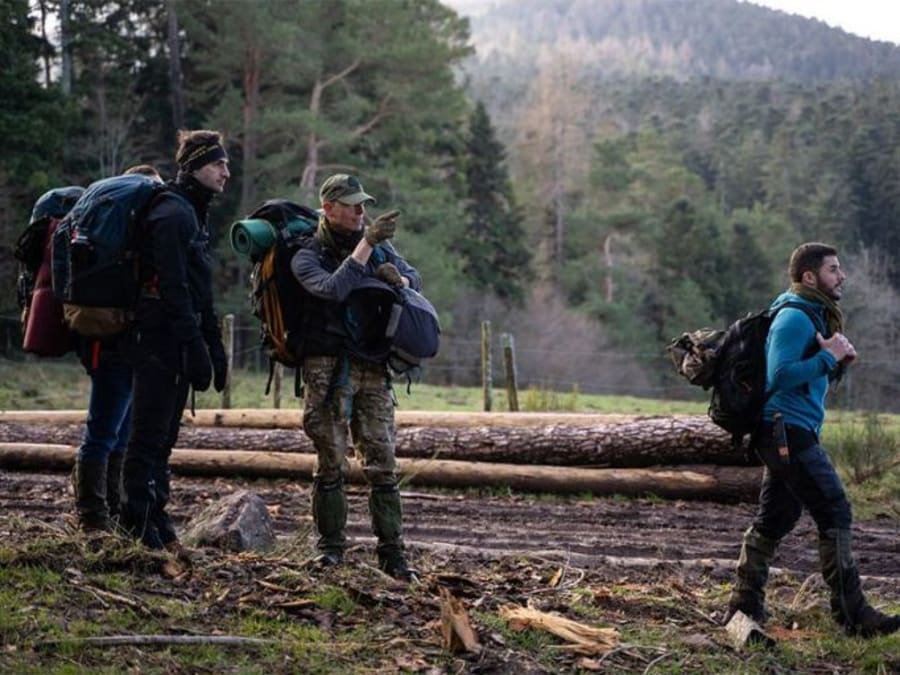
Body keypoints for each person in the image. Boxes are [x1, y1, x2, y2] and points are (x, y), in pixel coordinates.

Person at [727, 242, 899, 638]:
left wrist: (836, 362)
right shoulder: (794, 318)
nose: (842, 276)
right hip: (786, 430)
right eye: (834, 270)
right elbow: (781, 375)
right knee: (835, 509)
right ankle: (853, 616)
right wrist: (827, 357)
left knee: (776, 518)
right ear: (810, 277)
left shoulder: (813, 315)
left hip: (789, 428)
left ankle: (743, 603)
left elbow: (808, 379)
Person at [290, 173, 420, 580]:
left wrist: (400, 279)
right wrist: (367, 247)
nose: (361, 212)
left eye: (363, 205)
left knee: (383, 460)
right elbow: (332, 289)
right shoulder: (305, 253)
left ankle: (393, 556)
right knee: (331, 460)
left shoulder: (381, 249)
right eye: (352, 205)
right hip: (327, 368)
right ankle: (329, 552)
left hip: (373, 366)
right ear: (328, 208)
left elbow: (415, 278)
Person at [120, 131, 230, 551]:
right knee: (148, 431)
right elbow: (173, 285)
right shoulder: (171, 214)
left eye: (226, 164)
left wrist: (212, 343)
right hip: (156, 335)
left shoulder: (193, 211)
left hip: (175, 335)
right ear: (196, 166)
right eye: (218, 164)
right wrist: (194, 342)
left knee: (166, 433)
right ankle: (136, 519)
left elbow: (199, 287)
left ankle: (156, 512)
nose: (226, 172)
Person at [72, 164, 163, 532]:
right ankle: (93, 516)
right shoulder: (127, 238)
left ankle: (107, 510)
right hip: (112, 341)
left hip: (111, 337)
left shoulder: (117, 239)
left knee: (117, 429)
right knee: (105, 429)